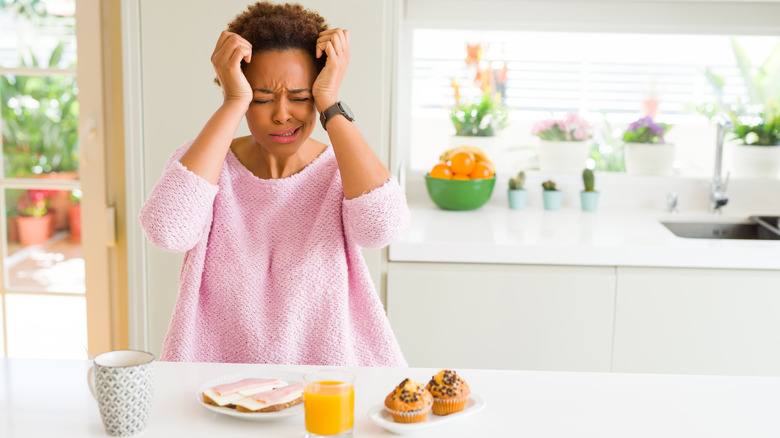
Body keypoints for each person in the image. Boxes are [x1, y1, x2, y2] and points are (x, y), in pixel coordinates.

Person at [139, 2, 409, 367]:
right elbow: (168, 232)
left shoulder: (341, 170)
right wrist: (233, 101)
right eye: (262, 98)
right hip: (215, 384)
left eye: (300, 98)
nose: (282, 113)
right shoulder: (207, 164)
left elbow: (383, 229)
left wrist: (329, 100)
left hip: (325, 386)